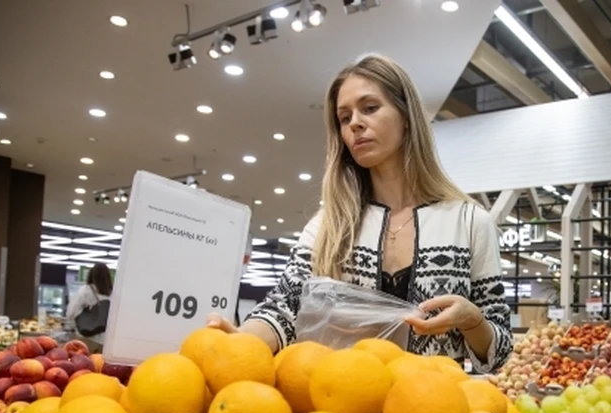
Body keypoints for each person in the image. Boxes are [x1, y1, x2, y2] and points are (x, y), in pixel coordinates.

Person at [208, 54, 512, 372]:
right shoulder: (329, 226)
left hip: (430, 409)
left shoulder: (469, 222)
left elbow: (500, 351)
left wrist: (473, 320)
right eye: (344, 117)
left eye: (370, 108)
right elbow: (284, 308)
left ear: (406, 115)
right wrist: (240, 340)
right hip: (343, 406)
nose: (355, 123)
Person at [65, 263, 113, 345]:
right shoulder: (113, 293)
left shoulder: (86, 291)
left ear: (91, 275)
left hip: (87, 338)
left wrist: (70, 326)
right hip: (106, 339)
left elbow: (71, 312)